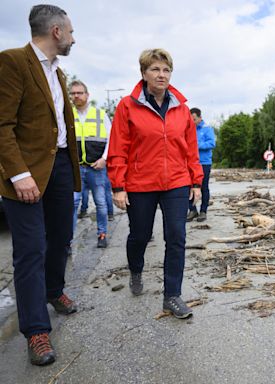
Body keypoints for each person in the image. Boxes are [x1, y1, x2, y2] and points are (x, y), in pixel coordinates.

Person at [0, 4, 80, 366]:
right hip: (26, 175)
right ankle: (36, 331)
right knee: (30, 250)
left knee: (61, 238)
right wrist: (19, 174)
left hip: (61, 166)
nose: (74, 38)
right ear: (57, 32)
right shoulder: (13, 62)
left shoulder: (58, 73)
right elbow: (1, 125)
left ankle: (54, 291)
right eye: (72, 32)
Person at [107, 48, 203, 319]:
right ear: (144, 73)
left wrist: (196, 181)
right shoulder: (127, 105)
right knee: (139, 235)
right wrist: (118, 185)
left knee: (177, 236)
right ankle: (136, 269)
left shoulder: (181, 109)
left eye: (166, 70)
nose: (161, 75)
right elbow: (118, 147)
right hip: (140, 183)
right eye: (155, 69)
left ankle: (172, 295)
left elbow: (190, 149)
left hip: (176, 182)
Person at [69, 80, 111, 247]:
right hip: (76, 168)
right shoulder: (67, 115)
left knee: (101, 202)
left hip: (96, 167)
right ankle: (68, 241)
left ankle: (102, 233)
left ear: (87, 95)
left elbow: (111, 139)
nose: (76, 96)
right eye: (73, 93)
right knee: (72, 204)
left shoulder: (100, 114)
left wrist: (104, 159)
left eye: (79, 92)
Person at [187, 108, 215, 222]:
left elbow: (211, 143)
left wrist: (196, 145)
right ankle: (192, 210)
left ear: (199, 117)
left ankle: (203, 211)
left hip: (204, 163)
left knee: (203, 187)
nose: (192, 121)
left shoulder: (207, 129)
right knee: (188, 187)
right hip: (190, 163)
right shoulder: (188, 129)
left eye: (194, 119)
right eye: (190, 119)